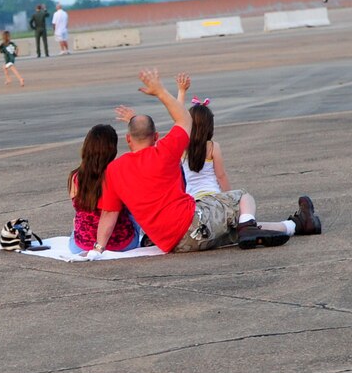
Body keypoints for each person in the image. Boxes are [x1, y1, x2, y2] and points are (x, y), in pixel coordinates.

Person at [88, 68, 321, 258]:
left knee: (237, 227)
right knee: (242, 199)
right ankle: (249, 225)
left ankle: (297, 225)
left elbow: (109, 215)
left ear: (127, 139)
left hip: (174, 244)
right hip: (193, 222)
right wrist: (160, 91)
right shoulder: (165, 150)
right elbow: (184, 118)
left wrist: (97, 250)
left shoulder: (114, 170)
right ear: (157, 136)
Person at [67, 124, 140, 253]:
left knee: (79, 216)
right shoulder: (117, 173)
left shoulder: (75, 177)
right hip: (122, 243)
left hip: (80, 245)